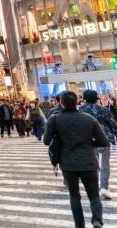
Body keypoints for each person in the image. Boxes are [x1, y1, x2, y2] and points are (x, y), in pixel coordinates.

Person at [44, 91, 110, 228]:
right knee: (93, 195)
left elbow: (46, 141)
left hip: (67, 163)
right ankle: (97, 221)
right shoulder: (89, 119)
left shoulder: (55, 119)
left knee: (74, 197)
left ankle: (79, 225)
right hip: (89, 161)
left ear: (61, 103)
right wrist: (90, 144)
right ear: (77, 102)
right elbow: (104, 141)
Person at [79, 89, 117, 201]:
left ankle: (94, 189)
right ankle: (104, 187)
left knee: (92, 165)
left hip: (87, 141)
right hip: (103, 139)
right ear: (97, 98)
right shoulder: (103, 110)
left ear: (84, 98)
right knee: (104, 164)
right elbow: (113, 125)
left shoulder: (80, 110)